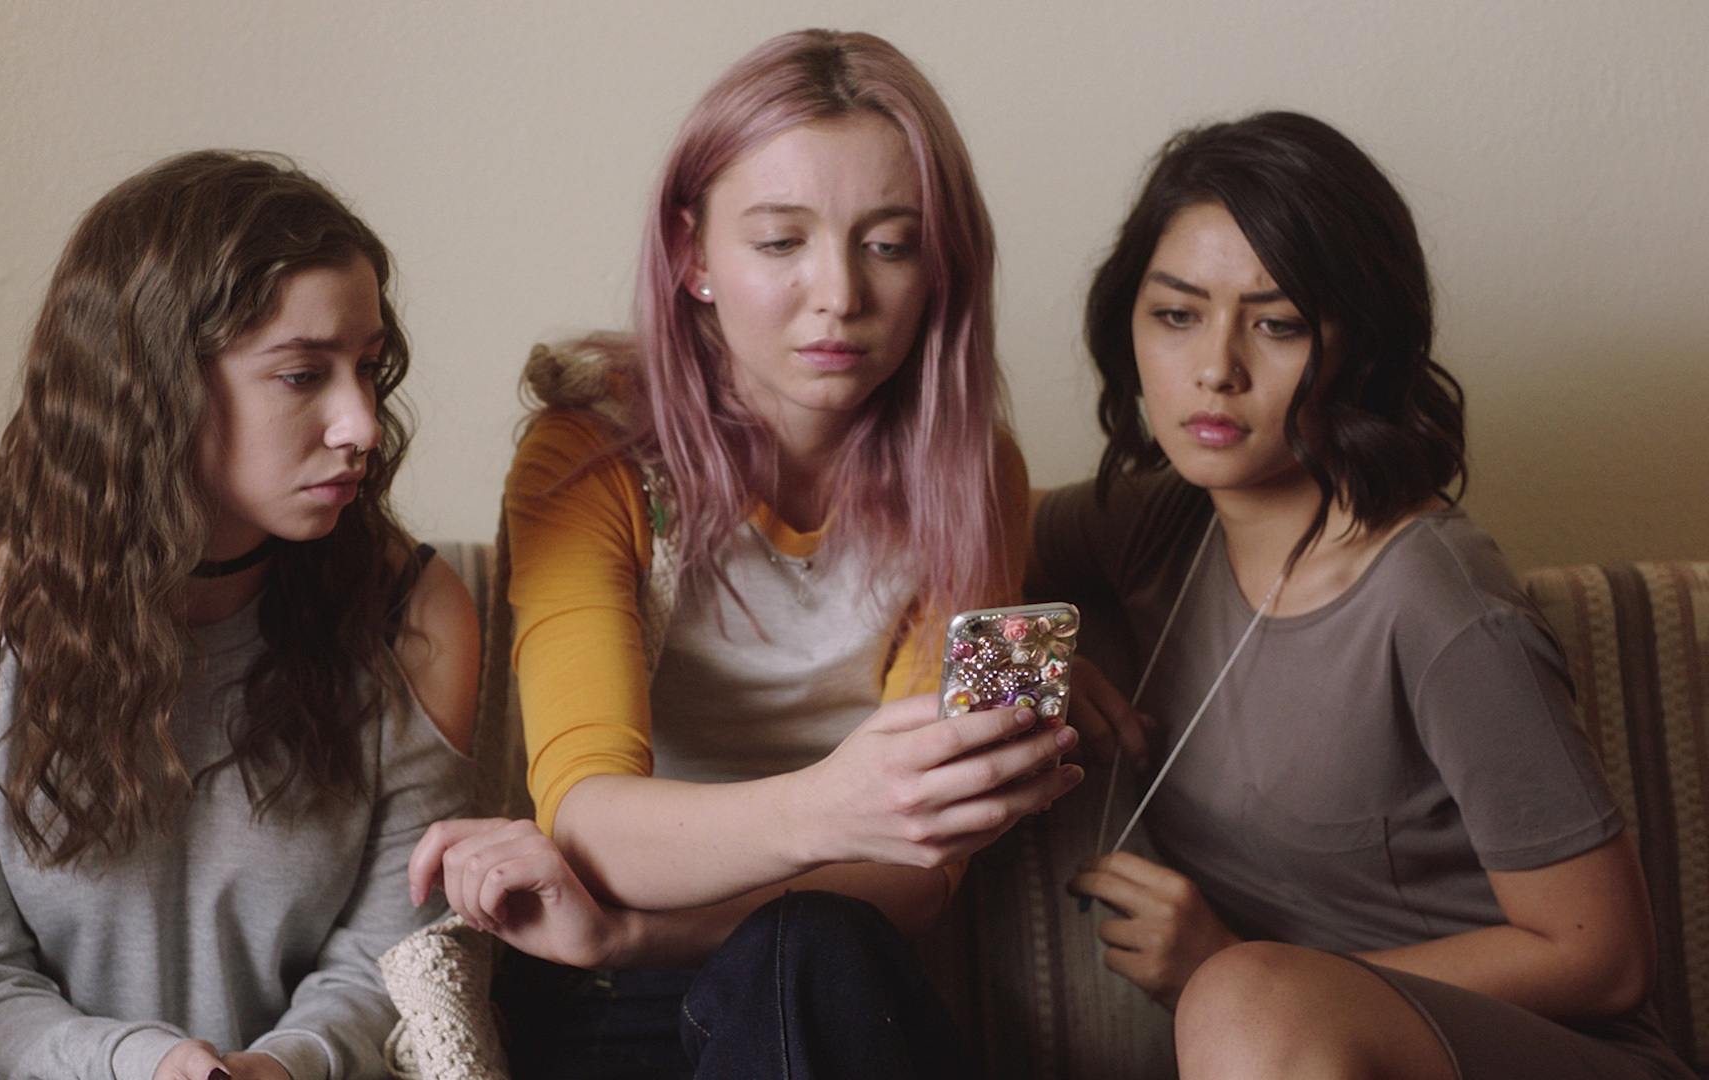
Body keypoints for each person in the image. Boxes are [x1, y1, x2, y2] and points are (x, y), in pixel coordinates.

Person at [408, 28, 1080, 1078]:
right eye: (780, 242)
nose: (839, 293)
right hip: (600, 991)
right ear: (693, 256)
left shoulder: (973, 473)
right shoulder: (588, 459)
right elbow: (587, 821)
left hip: (832, 975)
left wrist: (638, 930)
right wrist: (838, 807)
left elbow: (917, 875)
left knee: (808, 948)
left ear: (940, 265)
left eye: (889, 244)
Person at [1035, 111, 1692, 1079]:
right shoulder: (1155, 525)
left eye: (1278, 324)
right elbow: (941, 538)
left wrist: (1238, 966)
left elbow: (1604, 957)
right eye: (1177, 315)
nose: (1216, 369)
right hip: (1284, 1044)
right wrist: (1043, 665)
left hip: (1536, 1056)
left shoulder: (1436, 601)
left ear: (1360, 347)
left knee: (1240, 999)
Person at [0, 151, 480, 1080]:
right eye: (302, 374)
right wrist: (147, 1068)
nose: (361, 423)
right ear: (153, 385)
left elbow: (400, 959)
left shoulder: (411, 614)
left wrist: (283, 1067)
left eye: (366, 368)